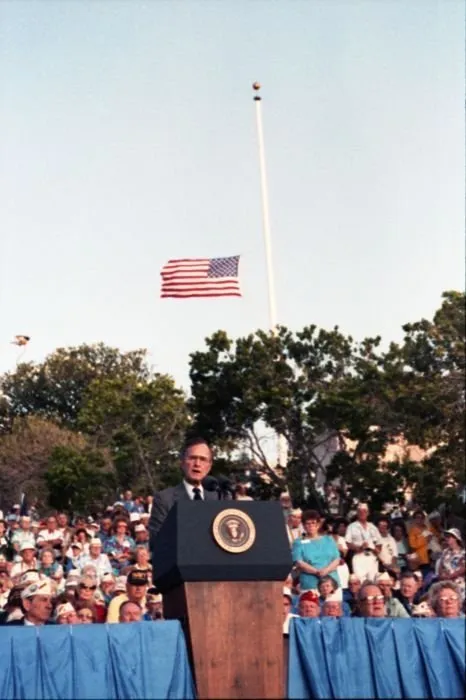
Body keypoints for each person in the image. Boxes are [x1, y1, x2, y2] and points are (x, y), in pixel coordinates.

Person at [149, 438, 218, 544]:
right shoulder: (164, 499)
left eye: (203, 459)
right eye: (192, 458)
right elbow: (157, 541)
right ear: (182, 462)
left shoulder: (218, 498)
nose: (197, 464)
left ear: (209, 466)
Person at [292, 510, 341, 593]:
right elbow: (299, 562)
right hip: (310, 584)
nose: (311, 525)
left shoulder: (329, 539)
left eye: (313, 523)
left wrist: (325, 571)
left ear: (318, 524)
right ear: (303, 526)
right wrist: (317, 572)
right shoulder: (298, 542)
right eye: (308, 523)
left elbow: (337, 559)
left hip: (332, 583)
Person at [436, 528, 465, 601]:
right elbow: (441, 564)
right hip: (445, 582)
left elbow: (463, 568)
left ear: (456, 538)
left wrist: (450, 576)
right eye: (446, 536)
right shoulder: (445, 551)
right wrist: (440, 576)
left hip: (458, 583)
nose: (447, 538)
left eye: (449, 536)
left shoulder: (463, 553)